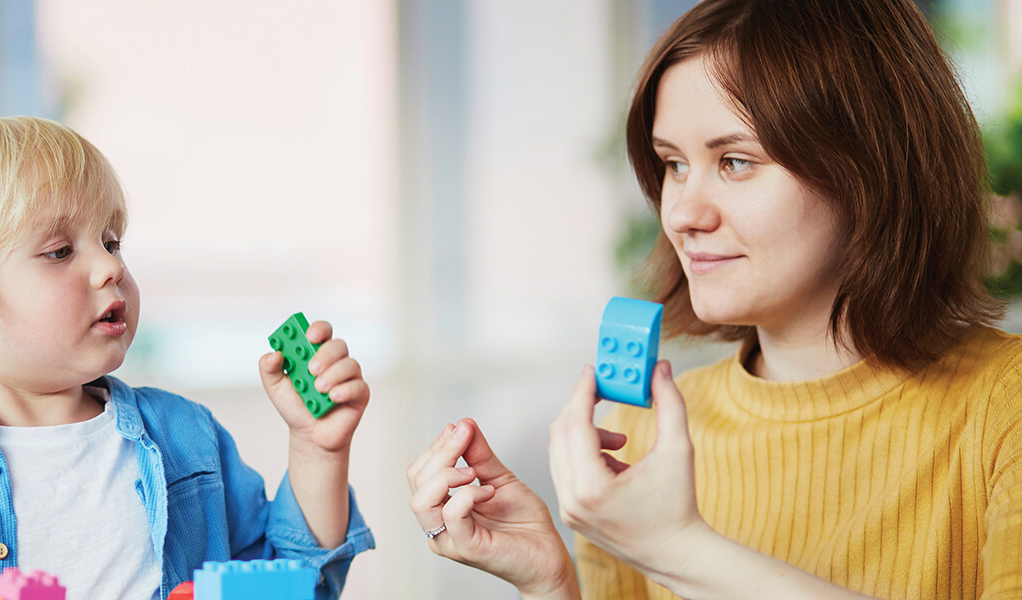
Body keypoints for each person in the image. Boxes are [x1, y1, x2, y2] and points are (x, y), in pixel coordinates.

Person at [406, 0, 1022, 598]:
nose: (681, 214)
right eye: (673, 164)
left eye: (734, 161)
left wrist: (678, 549)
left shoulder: (1004, 410)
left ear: (869, 170)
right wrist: (549, 582)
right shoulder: (638, 434)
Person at [0, 117, 375, 600]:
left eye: (111, 241)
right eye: (60, 250)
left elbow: (297, 587)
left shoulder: (188, 441)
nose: (110, 265)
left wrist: (319, 450)